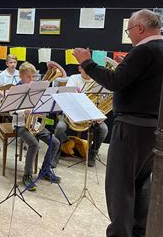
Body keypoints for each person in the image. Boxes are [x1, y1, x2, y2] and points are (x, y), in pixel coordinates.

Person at [73, 9, 163, 237]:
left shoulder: (144, 50)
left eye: (129, 31)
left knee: (120, 184)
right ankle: (139, 236)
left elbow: (115, 82)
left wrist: (86, 62)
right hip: (151, 128)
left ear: (139, 28)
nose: (129, 36)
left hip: (133, 127)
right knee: (141, 183)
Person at [13, 62, 61, 191]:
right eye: (28, 77)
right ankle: (27, 175)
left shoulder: (37, 90)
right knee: (34, 144)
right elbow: (12, 111)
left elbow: (41, 107)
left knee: (55, 142)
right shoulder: (16, 90)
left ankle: (45, 171)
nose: (31, 80)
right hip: (20, 125)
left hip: (35, 124)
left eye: (33, 77)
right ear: (21, 76)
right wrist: (25, 111)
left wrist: (42, 110)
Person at [54, 66, 109, 167]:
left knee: (104, 129)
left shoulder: (97, 81)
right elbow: (68, 97)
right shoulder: (74, 79)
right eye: (85, 68)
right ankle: (59, 150)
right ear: (80, 69)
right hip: (71, 112)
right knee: (59, 128)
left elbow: (101, 101)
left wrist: (100, 114)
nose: (88, 71)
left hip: (90, 115)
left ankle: (92, 152)